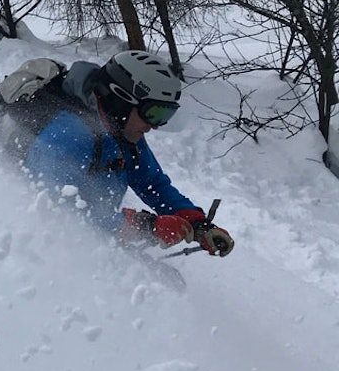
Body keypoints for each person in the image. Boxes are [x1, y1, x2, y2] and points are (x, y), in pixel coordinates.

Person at [24, 50, 234, 256]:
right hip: (41, 248)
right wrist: (146, 226)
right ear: (121, 100)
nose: (156, 126)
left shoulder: (122, 132)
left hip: (97, 241)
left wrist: (197, 224)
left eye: (165, 115)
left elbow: (152, 184)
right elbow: (60, 211)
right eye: (153, 113)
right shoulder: (66, 134)